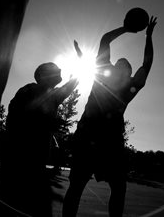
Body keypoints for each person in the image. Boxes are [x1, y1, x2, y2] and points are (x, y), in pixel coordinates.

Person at [62, 16, 157, 217]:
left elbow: (146, 64)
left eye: (125, 65)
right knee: (76, 188)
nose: (120, 64)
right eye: (119, 63)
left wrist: (148, 37)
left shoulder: (128, 89)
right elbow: (105, 40)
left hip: (110, 143)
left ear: (129, 74)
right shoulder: (102, 77)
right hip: (88, 138)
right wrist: (126, 28)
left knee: (118, 188)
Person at [0, 62, 78, 217]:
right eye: (53, 68)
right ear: (41, 75)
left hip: (30, 164)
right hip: (20, 165)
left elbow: (70, 87)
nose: (59, 69)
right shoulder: (32, 90)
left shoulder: (49, 94)